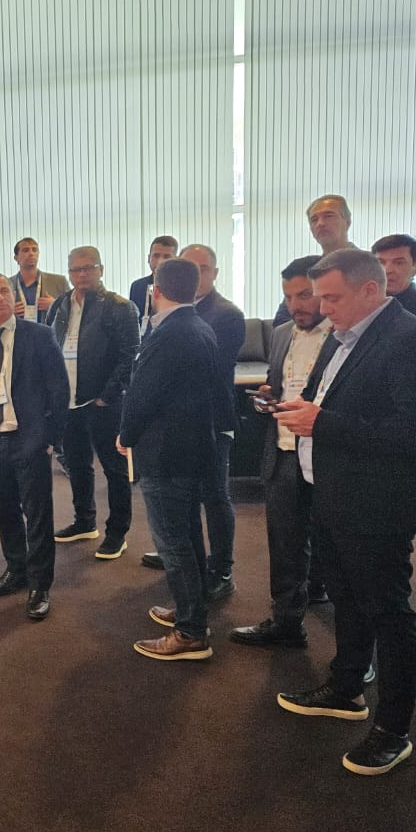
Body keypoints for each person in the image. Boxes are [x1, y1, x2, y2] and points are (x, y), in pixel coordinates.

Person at [273, 249, 416, 775]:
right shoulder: (344, 334)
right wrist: (294, 408)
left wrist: (320, 423)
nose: (322, 308)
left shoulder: (413, 341)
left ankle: (394, 730)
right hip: (331, 492)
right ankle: (346, 688)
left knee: (389, 614)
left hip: (377, 504)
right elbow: (329, 401)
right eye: (319, 297)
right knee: (346, 599)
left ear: (371, 289)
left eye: (332, 297)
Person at [119, 258, 229, 660]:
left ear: (156, 290)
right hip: (192, 447)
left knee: (173, 543)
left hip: (166, 452)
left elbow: (143, 394)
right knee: (188, 536)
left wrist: (126, 435)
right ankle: (191, 612)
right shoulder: (199, 326)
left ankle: (190, 633)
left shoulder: (168, 333)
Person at [229, 257, 331, 648]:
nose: (295, 305)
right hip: (283, 453)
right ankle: (286, 624)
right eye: (288, 296)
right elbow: (276, 386)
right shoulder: (283, 333)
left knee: (340, 553)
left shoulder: (344, 336)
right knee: (285, 545)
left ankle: (355, 656)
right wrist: (265, 401)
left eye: (304, 295)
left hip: (330, 459)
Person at [0, 272, 69, 620]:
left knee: (37, 515)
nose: (0, 297)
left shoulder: (39, 336)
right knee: (6, 512)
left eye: (4, 290)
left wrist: (49, 439)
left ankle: (40, 584)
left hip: (29, 441)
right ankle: (16, 570)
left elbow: (59, 391)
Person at [139, 244, 244, 597]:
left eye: (203, 269)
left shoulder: (226, 314)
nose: (196, 276)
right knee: (181, 497)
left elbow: (204, 372)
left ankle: (222, 568)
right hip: (176, 426)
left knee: (214, 496)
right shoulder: (168, 312)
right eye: (189, 268)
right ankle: (184, 555)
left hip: (211, 421)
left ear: (215, 273)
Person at [44, 246, 139, 560]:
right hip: (68, 401)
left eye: (88, 268)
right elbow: (49, 348)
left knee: (114, 469)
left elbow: (129, 357)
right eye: (75, 269)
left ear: (101, 270)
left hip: (102, 403)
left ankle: (117, 533)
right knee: (77, 465)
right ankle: (84, 521)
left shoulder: (120, 307)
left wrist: (106, 396)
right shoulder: (59, 304)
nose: (82, 274)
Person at [275, 194, 357, 325]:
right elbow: (281, 322)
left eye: (328, 216)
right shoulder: (308, 269)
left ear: (347, 222)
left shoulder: (371, 266)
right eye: (314, 220)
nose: (320, 223)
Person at [371, 233, 416, 332]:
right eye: (381, 262)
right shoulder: (361, 304)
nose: (387, 270)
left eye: (399, 263)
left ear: (415, 269)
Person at [10, 237, 67, 324]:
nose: (31, 253)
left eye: (34, 250)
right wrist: (8, 314)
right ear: (16, 257)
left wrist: (54, 306)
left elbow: (74, 311)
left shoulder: (59, 282)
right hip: (17, 331)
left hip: (50, 331)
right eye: (26, 250)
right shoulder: (6, 284)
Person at [127, 235, 179, 327]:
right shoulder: (137, 286)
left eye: (166, 257)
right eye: (156, 256)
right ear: (148, 258)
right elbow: (133, 321)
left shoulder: (181, 287)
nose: (160, 261)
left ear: (176, 260)